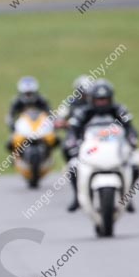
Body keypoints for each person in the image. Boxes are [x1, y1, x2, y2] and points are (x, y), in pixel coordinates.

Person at [65, 79, 139, 212]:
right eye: (99, 99)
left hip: (115, 149)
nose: (102, 102)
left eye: (105, 99)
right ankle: (77, 197)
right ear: (92, 99)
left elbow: (130, 129)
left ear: (110, 98)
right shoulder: (83, 112)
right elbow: (73, 131)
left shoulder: (119, 110)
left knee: (135, 165)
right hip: (90, 150)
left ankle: (128, 196)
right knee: (73, 165)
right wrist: (72, 144)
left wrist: (132, 139)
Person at [61, 75, 94, 211]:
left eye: (87, 92)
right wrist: (61, 122)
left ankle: (127, 198)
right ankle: (77, 197)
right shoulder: (70, 103)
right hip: (76, 136)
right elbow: (60, 116)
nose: (85, 95)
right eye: (82, 92)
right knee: (71, 162)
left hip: (95, 137)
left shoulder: (97, 103)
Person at [5, 76, 51, 152]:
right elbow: (10, 115)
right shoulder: (16, 101)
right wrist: (12, 125)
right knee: (11, 143)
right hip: (23, 127)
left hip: (39, 127)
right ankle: (17, 156)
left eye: (30, 93)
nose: (28, 96)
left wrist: (52, 123)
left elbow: (50, 112)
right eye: (26, 93)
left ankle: (48, 154)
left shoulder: (41, 99)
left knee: (54, 139)